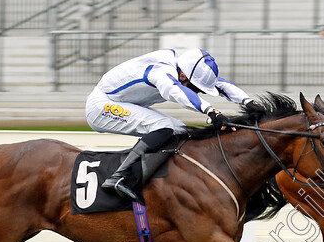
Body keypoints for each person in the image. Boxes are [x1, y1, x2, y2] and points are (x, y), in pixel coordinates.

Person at [85, 48, 253, 201]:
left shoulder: (183, 67)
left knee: (179, 129)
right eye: (195, 88)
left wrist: (250, 103)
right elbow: (175, 91)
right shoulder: (162, 70)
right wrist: (211, 111)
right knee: (164, 126)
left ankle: (151, 177)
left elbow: (221, 84)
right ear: (183, 76)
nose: (195, 92)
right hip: (101, 106)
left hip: (122, 103)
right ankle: (120, 176)